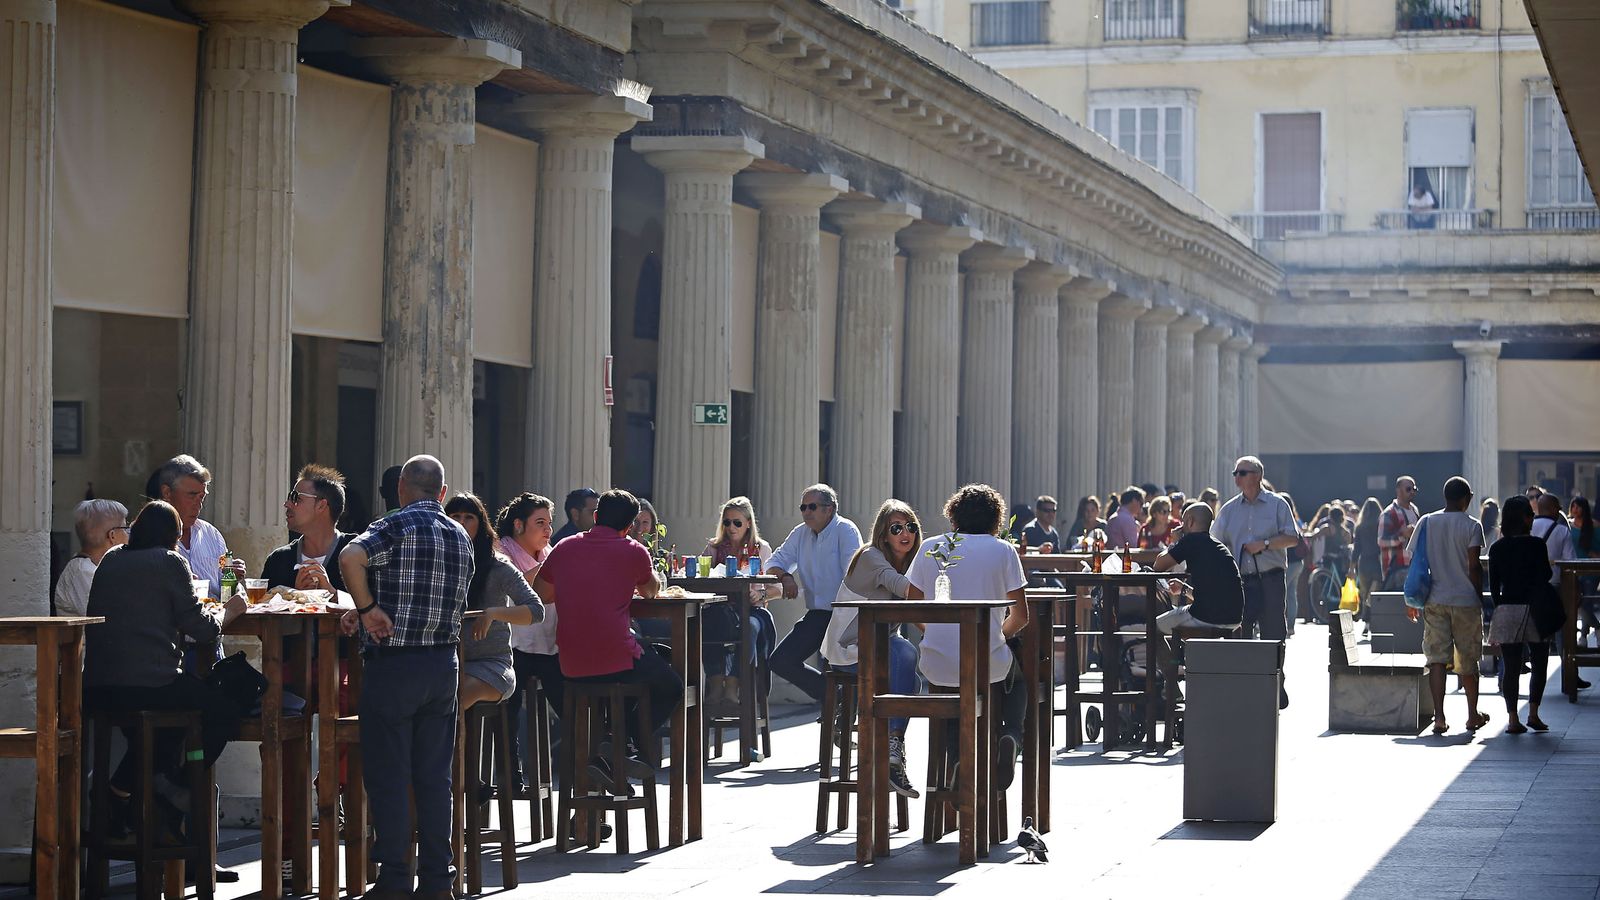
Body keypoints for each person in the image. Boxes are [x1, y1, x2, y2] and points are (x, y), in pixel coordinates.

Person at [339, 455, 473, 900]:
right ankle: (438, 880)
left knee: (389, 775)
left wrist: (366, 609)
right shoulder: (460, 535)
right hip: (442, 666)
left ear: (401, 488)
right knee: (435, 779)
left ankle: (395, 877)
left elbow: (351, 555)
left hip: (394, 665)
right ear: (441, 491)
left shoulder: (394, 526)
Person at [84, 501, 248, 826]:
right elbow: (202, 630)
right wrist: (232, 609)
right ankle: (179, 786)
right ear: (173, 536)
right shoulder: (169, 561)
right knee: (224, 711)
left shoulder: (111, 559)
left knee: (171, 727)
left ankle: (123, 789)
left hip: (99, 687)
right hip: (150, 685)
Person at [532, 489, 683, 793]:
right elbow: (651, 591)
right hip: (615, 657)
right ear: (629, 527)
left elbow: (543, 594)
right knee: (671, 686)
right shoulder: (633, 551)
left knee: (640, 674)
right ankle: (617, 744)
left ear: (596, 517)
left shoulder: (563, 547)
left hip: (571, 663)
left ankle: (615, 753)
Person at [906, 484, 1029, 790]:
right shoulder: (1003, 550)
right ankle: (1011, 734)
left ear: (953, 514)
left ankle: (957, 757)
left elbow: (912, 607)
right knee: (1019, 679)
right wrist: (998, 637)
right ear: (995, 518)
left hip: (937, 662)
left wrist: (934, 632)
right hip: (987, 662)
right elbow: (1022, 617)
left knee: (951, 695)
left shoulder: (931, 547)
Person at [828, 499, 926, 799]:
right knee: (906, 654)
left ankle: (890, 755)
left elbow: (918, 612)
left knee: (913, 679)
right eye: (896, 528)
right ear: (883, 534)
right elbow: (904, 590)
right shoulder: (872, 557)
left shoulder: (908, 564)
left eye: (910, 526)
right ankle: (892, 752)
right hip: (849, 650)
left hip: (878, 649)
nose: (904, 533)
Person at [1212, 456, 1298, 707]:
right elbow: (1215, 540)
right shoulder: (1229, 509)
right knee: (1238, 633)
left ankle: (1275, 681)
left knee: (1274, 634)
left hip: (1270, 578)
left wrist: (1266, 544)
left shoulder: (1277, 504)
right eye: (1235, 473)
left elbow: (1293, 538)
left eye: (1242, 472)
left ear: (1257, 476)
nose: (1237, 477)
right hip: (1240, 580)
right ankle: (1242, 684)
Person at [445, 493, 544, 711]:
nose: (461, 523)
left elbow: (536, 610)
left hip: (490, 665)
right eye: (455, 516)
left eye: (469, 517)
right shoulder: (437, 562)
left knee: (452, 697)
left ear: (481, 524)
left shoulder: (498, 566)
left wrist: (493, 613)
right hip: (444, 662)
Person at [1405, 476, 1488, 734]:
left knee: (1437, 659)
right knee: (1467, 658)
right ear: (1467, 499)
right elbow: (1474, 566)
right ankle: (1472, 715)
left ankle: (1439, 717)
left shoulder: (1427, 521)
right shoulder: (1473, 526)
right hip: (1465, 601)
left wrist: (1413, 599)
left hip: (1435, 600)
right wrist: (1480, 596)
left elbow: (1415, 561)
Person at [765, 484, 863, 702]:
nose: (806, 512)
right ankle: (834, 699)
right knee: (781, 660)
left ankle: (843, 710)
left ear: (829, 509)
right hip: (818, 615)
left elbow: (853, 575)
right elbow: (773, 562)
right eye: (803, 507)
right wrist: (785, 576)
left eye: (812, 507)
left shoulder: (846, 530)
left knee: (841, 669)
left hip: (845, 615)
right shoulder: (800, 533)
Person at [497, 492, 559, 798]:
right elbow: (521, 583)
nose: (547, 530)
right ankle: (511, 776)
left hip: (551, 646)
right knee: (507, 709)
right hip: (511, 648)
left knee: (573, 701)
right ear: (519, 525)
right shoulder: (500, 551)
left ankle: (586, 775)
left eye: (549, 523)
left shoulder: (551, 555)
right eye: (540, 523)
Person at [701, 497, 778, 716]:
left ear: (748, 523)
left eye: (736, 522)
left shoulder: (761, 549)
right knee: (706, 622)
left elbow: (778, 589)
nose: (731, 527)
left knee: (750, 627)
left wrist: (760, 593)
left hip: (753, 610)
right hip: (720, 610)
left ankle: (734, 683)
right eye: (726, 522)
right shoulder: (714, 548)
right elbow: (702, 576)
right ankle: (715, 681)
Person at [1488, 496, 1555, 734]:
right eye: (1531, 514)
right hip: (1536, 608)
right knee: (1539, 663)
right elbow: (1546, 575)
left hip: (1508, 608)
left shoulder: (1497, 548)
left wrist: (1501, 607)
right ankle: (1534, 713)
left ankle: (1513, 718)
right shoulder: (1537, 545)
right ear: (1526, 518)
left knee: (1512, 666)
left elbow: (1494, 585)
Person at [152, 454, 246, 600]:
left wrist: (232, 578)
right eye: (192, 495)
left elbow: (226, 593)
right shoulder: (145, 536)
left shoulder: (212, 535)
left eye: (201, 497)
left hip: (213, 617)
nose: (199, 504)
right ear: (167, 493)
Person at [262, 464, 356, 594]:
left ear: (321, 506)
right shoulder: (278, 560)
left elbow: (376, 608)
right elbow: (262, 611)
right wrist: (293, 595)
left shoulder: (358, 553)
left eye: (296, 497)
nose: (287, 504)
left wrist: (332, 594)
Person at [1154, 502, 1244, 634]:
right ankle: (1181, 653)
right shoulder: (1217, 546)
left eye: (1183, 522)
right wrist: (1184, 589)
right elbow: (1211, 595)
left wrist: (1175, 542)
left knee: (1154, 626)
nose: (1181, 527)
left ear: (1190, 522)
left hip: (1206, 617)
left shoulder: (1191, 540)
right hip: (1234, 618)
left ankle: (1174, 655)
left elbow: (1158, 566)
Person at [55, 499, 129, 617]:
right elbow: (114, 617)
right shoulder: (83, 571)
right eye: (125, 529)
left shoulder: (93, 567)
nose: (128, 535)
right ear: (112, 536)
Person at [1379, 476, 1421, 591]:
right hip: (1396, 568)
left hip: (1413, 565)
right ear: (1398, 490)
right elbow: (1381, 541)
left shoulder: (1414, 510)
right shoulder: (1389, 513)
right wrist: (1401, 535)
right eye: (1408, 489)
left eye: (1414, 489)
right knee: (1399, 605)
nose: (1412, 492)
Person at [1352, 497, 1384, 619]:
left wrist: (1351, 568)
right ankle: (1373, 620)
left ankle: (1366, 621)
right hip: (1377, 562)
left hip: (1363, 563)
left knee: (1365, 594)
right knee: (1375, 594)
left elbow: (1356, 549)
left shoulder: (1360, 527)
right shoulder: (1380, 526)